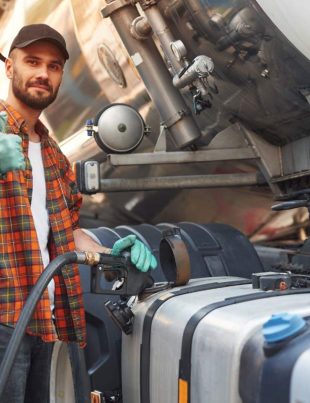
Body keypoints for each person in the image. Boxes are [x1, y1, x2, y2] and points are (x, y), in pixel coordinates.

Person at [0, 23, 157, 403]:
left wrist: (111, 253)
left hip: (48, 323)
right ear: (9, 68)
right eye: (32, 61)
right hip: (4, 323)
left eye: (53, 66)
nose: (42, 73)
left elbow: (66, 235)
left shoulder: (54, 155)